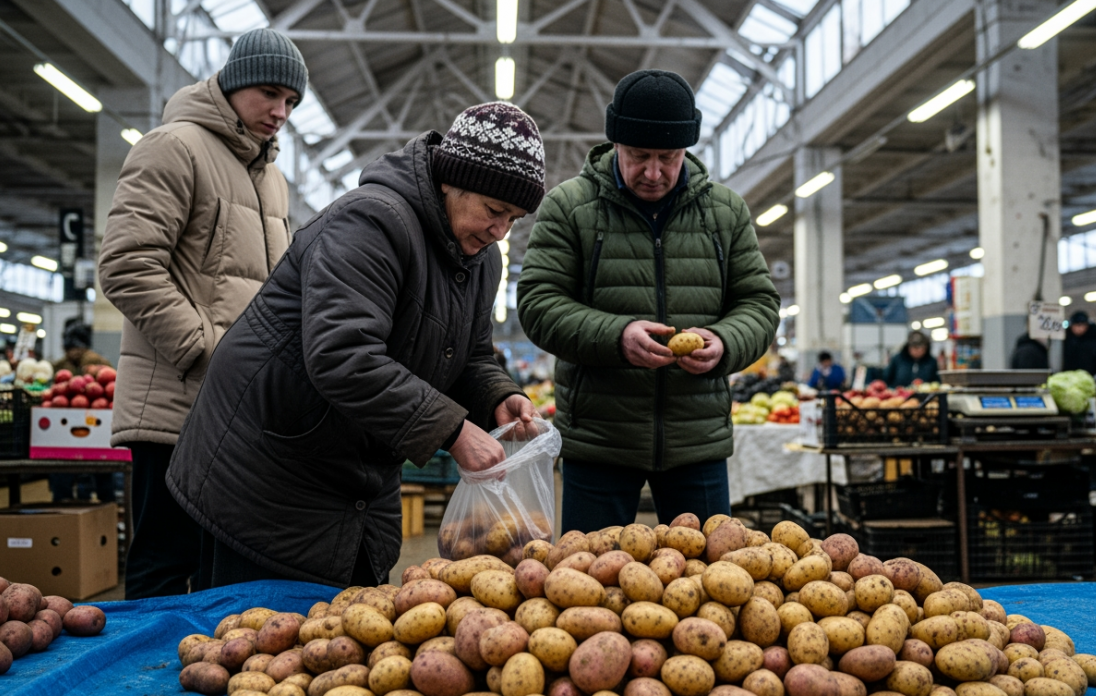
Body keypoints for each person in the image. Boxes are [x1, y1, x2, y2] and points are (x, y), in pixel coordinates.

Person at [166, 103, 544, 589]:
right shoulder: (370, 223)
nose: (500, 232)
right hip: (269, 471)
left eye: (513, 218)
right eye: (495, 211)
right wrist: (452, 430)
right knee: (256, 640)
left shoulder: (481, 259)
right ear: (453, 180)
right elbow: (342, 354)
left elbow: (468, 355)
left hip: (356, 472)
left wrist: (497, 396)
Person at [518, 69, 780, 532]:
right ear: (616, 143)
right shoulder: (569, 207)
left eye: (669, 157)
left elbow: (759, 303)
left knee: (712, 582)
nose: (654, 172)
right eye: (639, 156)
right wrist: (617, 336)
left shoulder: (726, 213)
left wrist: (724, 341)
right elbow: (539, 303)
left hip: (695, 439)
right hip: (599, 439)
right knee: (587, 587)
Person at [97, 28, 307, 598]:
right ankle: (143, 687)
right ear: (234, 84)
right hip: (175, 404)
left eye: (290, 102)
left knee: (220, 567)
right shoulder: (174, 147)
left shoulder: (271, 179)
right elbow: (125, 265)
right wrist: (210, 351)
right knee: (165, 562)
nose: (279, 111)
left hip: (237, 409)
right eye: (269, 93)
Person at [1062, 310, 1096, 376]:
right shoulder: (1065, 341)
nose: (1080, 328)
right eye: (1077, 325)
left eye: (1082, 325)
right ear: (1071, 326)